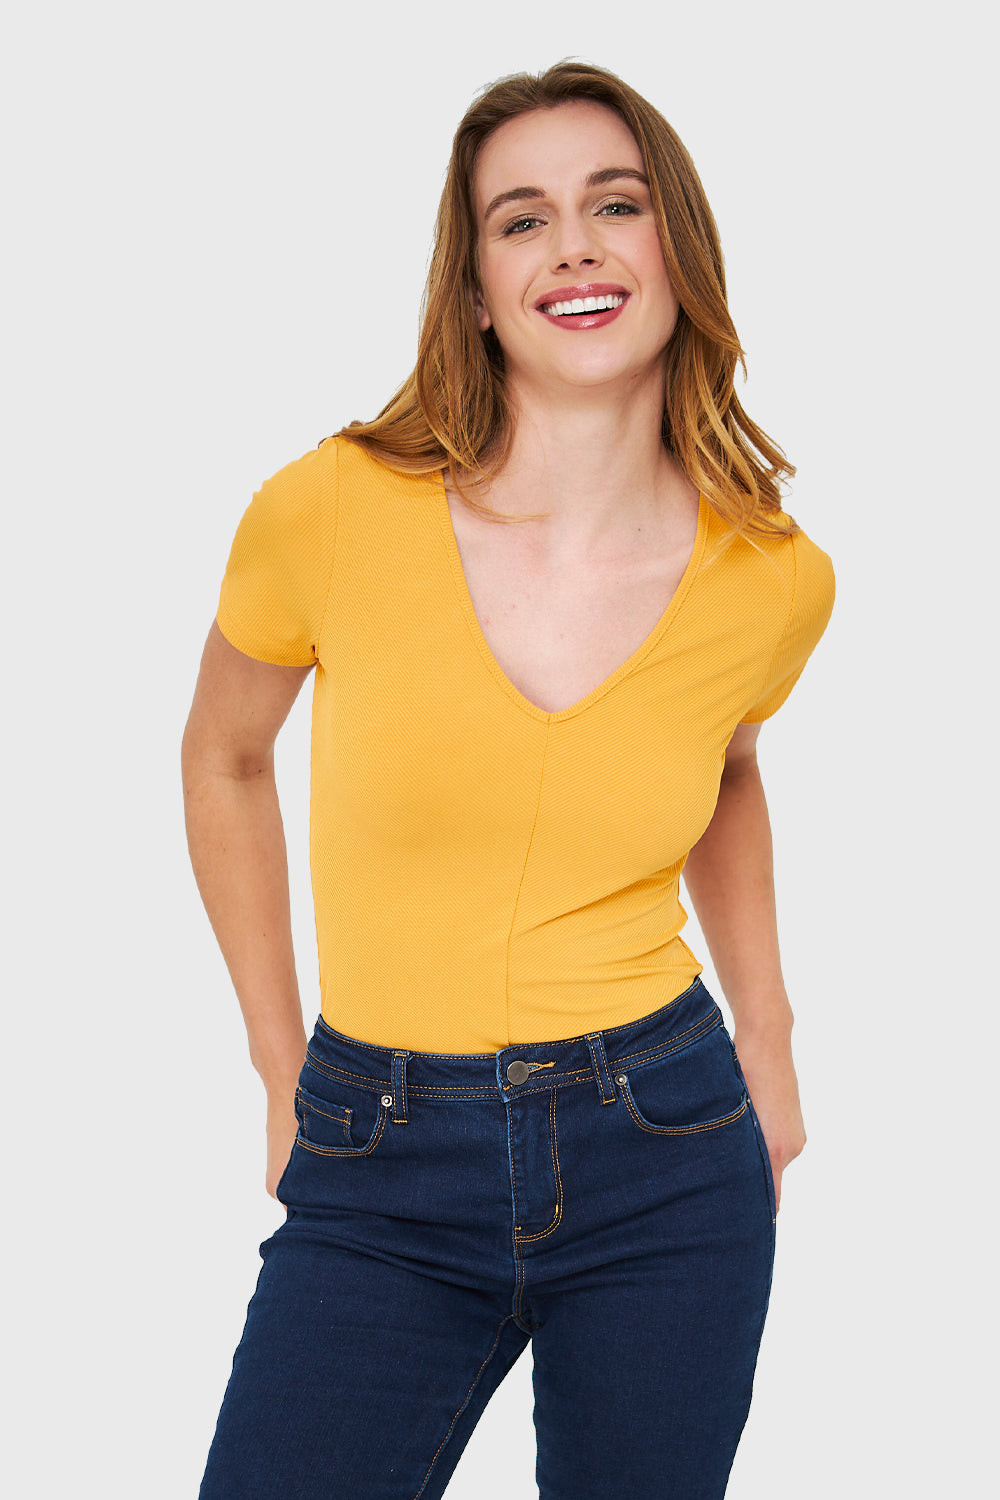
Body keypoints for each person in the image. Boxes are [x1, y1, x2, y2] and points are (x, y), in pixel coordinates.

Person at [182, 60, 834, 1500]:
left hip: (666, 1148)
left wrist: (772, 1045)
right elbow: (223, 756)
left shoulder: (772, 576)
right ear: (476, 289)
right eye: (521, 220)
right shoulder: (332, 509)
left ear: (678, 249)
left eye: (617, 204)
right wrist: (281, 1070)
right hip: (379, 1152)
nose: (575, 248)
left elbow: (727, 771)